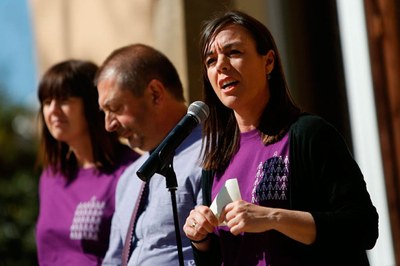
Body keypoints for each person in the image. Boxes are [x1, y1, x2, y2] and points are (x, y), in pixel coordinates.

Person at [183, 10, 379, 266]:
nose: (220, 65)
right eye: (210, 60)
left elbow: (362, 227)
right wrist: (201, 239)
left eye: (234, 52)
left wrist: (272, 217)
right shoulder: (217, 157)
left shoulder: (308, 134)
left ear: (269, 62)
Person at [96, 43, 203, 266]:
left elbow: (226, 249)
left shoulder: (211, 155)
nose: (108, 125)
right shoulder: (128, 179)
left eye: (115, 108)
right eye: (104, 112)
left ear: (155, 94)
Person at [35, 59, 140, 265]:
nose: (53, 110)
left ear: (93, 104)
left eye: (64, 100)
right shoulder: (50, 176)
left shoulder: (130, 171)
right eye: (47, 102)